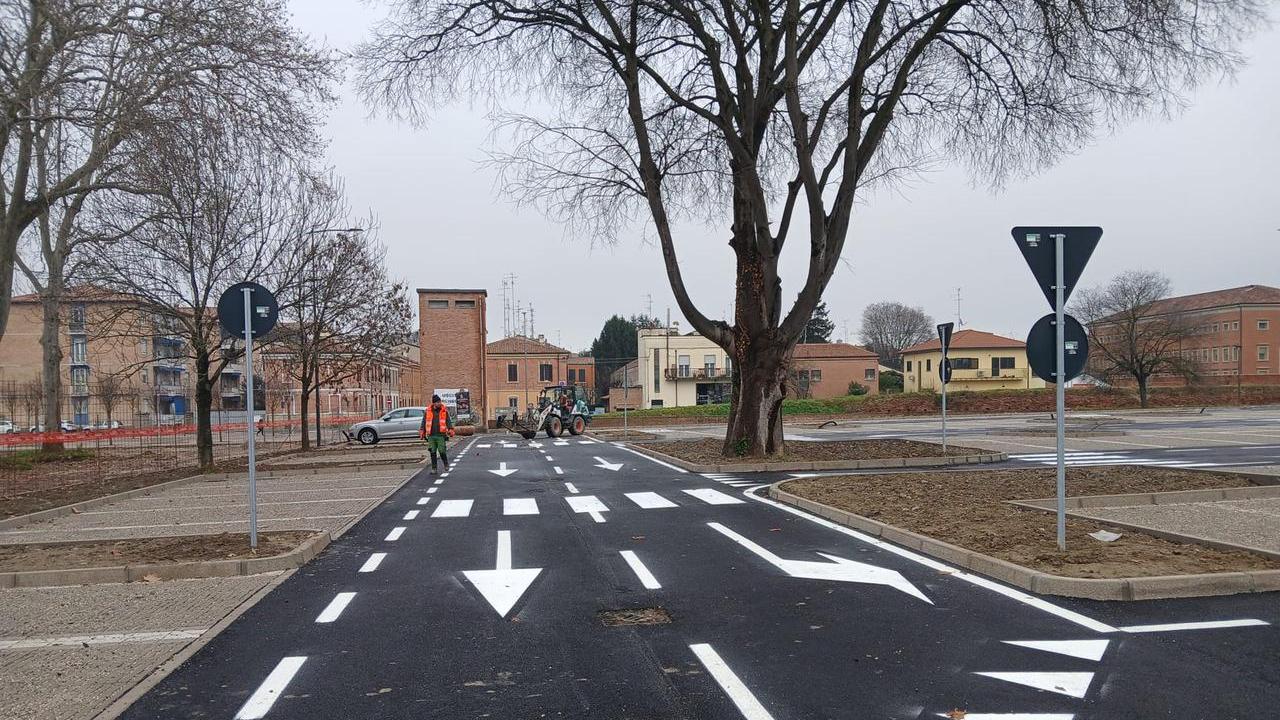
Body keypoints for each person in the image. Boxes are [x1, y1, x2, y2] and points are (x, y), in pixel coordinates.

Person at [419, 395, 454, 474]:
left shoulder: (444, 411)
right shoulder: (427, 411)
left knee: (442, 451)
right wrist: (422, 431)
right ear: (434, 403)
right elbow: (424, 422)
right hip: (431, 435)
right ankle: (434, 468)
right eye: (438, 402)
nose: (439, 403)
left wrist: (450, 429)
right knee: (432, 452)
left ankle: (446, 464)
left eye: (440, 402)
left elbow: (448, 421)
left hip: (441, 435)